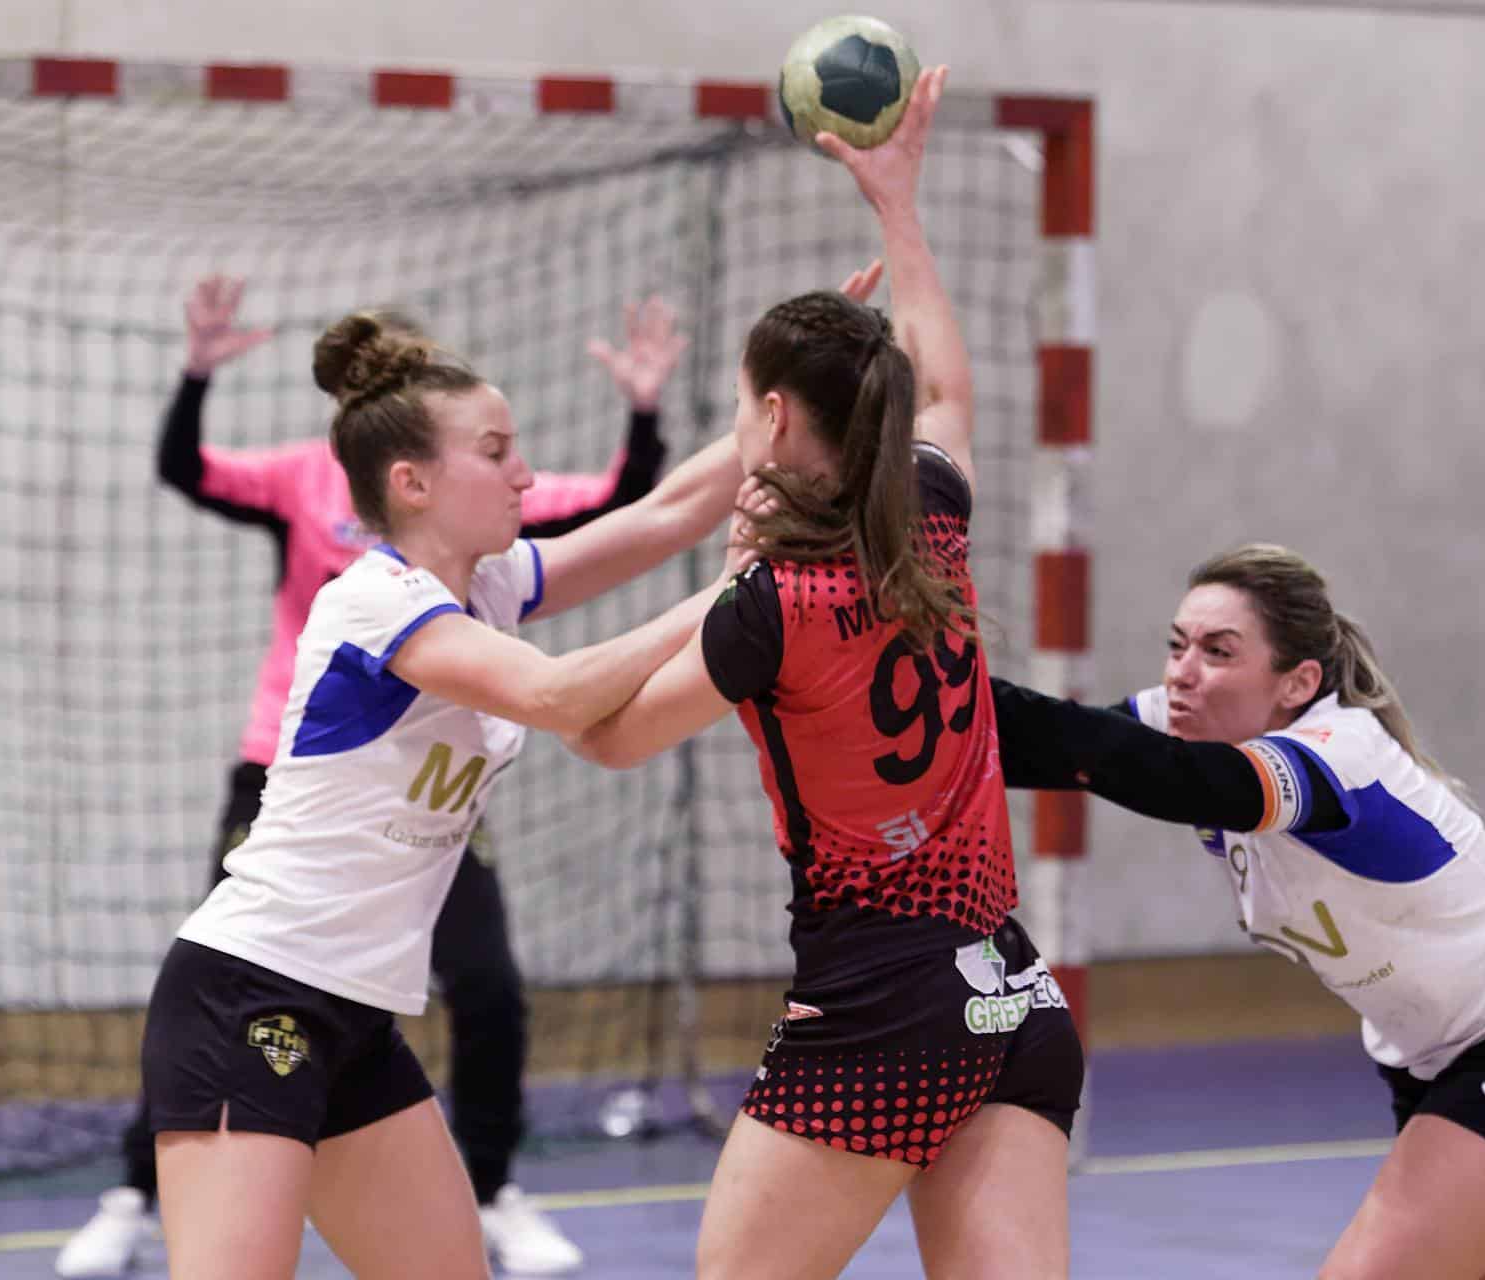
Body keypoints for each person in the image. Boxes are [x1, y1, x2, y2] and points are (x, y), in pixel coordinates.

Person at [565, 67, 1083, 1280]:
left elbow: (607, 734)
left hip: (878, 1011)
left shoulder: (775, 609)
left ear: (781, 417)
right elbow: (948, 388)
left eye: (745, 406)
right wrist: (897, 204)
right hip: (1009, 992)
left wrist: (731, 579)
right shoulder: (934, 518)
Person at [56, 280, 685, 1277]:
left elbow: (664, 515)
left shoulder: (487, 580)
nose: (525, 473)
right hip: (252, 994)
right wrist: (750, 595)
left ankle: (502, 1183)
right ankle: (127, 1189)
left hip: (355, 1019)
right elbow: (565, 696)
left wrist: (813, 411)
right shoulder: (377, 599)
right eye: (496, 451)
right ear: (412, 482)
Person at [988, 543, 1485, 1280]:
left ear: (1298, 682)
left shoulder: (1338, 753)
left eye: (1217, 651)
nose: (1182, 672)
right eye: (1177, 646)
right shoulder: (1195, 720)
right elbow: (1054, 745)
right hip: (1438, 1063)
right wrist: (911, 696)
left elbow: (1177, 781)